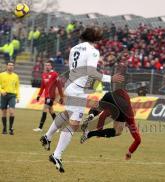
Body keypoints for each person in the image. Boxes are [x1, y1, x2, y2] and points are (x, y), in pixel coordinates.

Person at [40, 26, 124, 173]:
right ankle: (57, 155)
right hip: (79, 90)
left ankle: (47, 136)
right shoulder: (93, 51)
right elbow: (91, 71)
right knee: (74, 124)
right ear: (94, 38)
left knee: (67, 114)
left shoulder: (74, 48)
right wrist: (110, 78)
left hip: (71, 84)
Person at [80, 88, 141, 160]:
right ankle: (89, 134)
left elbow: (103, 116)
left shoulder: (124, 97)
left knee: (99, 107)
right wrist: (129, 152)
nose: (126, 126)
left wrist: (100, 129)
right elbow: (138, 140)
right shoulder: (130, 118)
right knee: (118, 131)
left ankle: (92, 114)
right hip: (121, 108)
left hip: (109, 95)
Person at [33, 61, 64, 132]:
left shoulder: (55, 74)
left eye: (48, 65)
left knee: (45, 109)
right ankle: (58, 127)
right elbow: (42, 86)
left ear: (51, 66)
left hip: (51, 96)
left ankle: (40, 128)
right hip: (46, 95)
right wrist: (39, 95)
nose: (47, 66)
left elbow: (59, 86)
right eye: (46, 65)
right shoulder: (43, 74)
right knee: (51, 111)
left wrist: (61, 96)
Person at [0, 62, 20, 135]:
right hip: (4, 95)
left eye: (12, 65)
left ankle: (11, 128)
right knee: (4, 113)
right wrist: (1, 91)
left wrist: (18, 96)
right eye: (9, 65)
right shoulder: (1, 75)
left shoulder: (16, 76)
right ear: (6, 66)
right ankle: (4, 128)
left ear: (13, 67)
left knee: (11, 112)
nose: (11, 67)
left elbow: (17, 87)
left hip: (12, 95)